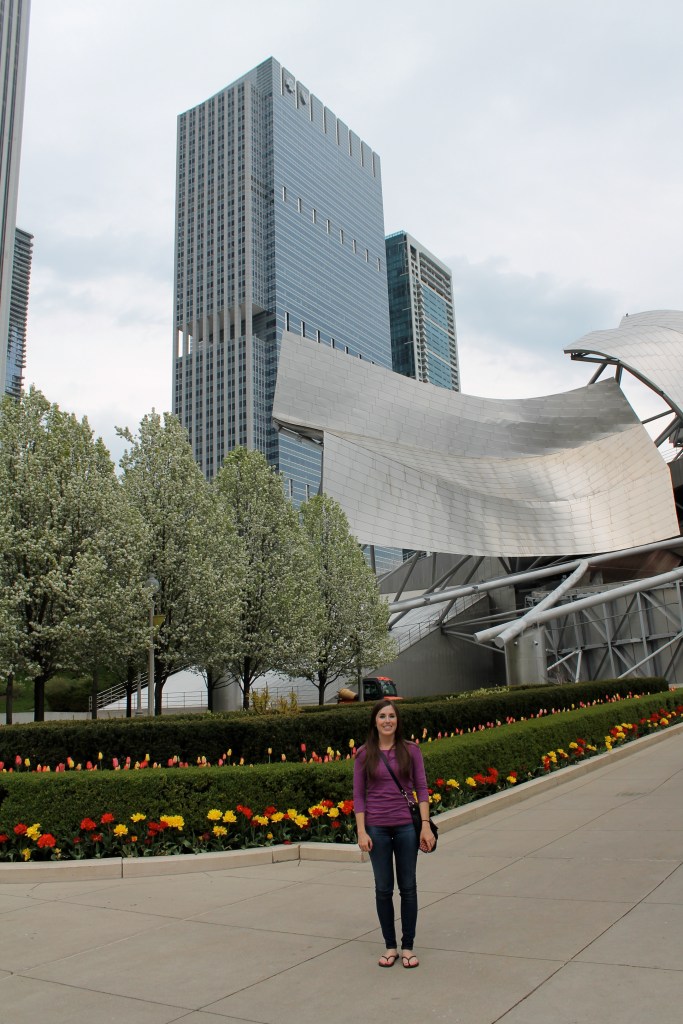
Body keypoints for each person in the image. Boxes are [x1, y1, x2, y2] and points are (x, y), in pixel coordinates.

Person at [353, 699, 435, 969]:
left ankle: (408, 946)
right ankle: (390, 946)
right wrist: (362, 831)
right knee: (383, 889)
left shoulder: (410, 750)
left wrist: (424, 825)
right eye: (382, 716)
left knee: (408, 887)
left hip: (405, 827)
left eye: (391, 716)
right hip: (376, 827)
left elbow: (422, 788)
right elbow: (359, 796)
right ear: (374, 722)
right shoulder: (365, 754)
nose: (387, 721)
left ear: (397, 721)